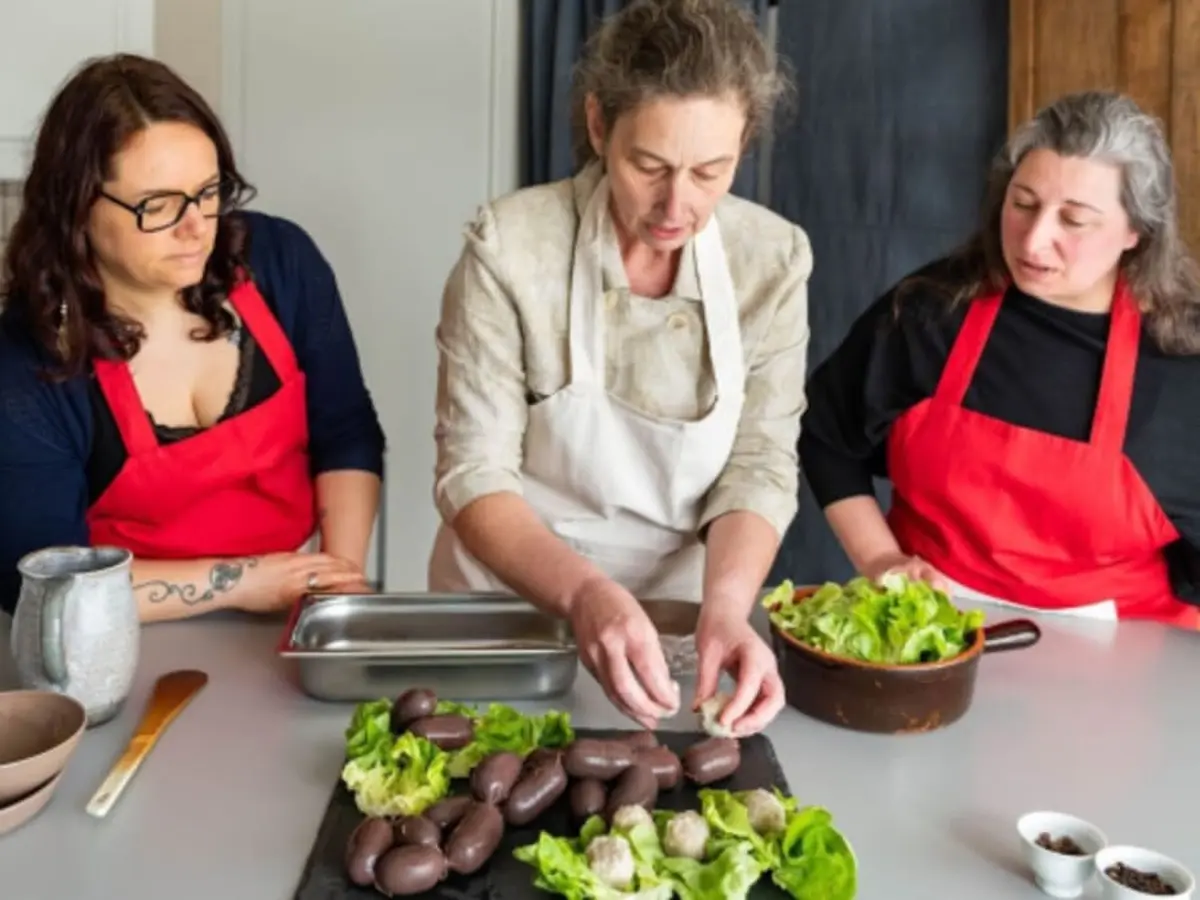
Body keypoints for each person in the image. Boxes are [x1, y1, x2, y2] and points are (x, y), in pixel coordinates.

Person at [429, 0, 811, 734]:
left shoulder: (772, 260)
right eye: (649, 166)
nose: (679, 205)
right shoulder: (511, 248)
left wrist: (727, 609)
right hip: (512, 609)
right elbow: (472, 473)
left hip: (679, 622)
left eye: (712, 170)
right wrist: (584, 595)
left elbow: (759, 462)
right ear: (599, 125)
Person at [0, 55, 386, 622]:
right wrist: (241, 582)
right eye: (157, 205)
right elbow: (42, 580)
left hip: (294, 609)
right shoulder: (28, 360)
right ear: (78, 205)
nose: (196, 227)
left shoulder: (281, 263)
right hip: (118, 632)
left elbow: (347, 433)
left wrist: (333, 584)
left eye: (208, 192)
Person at [800, 90, 1200, 630]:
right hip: (927, 635)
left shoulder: (1183, 370)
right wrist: (881, 560)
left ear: (1136, 232)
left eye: (1074, 220)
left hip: (1122, 662)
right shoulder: (932, 312)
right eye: (1023, 203)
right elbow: (827, 434)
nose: (1034, 241)